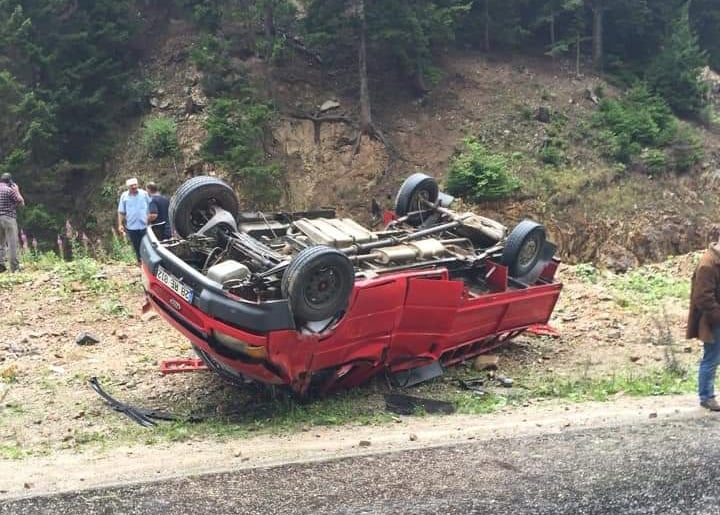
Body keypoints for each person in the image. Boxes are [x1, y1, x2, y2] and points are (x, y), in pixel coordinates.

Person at [687, 242, 720, 411]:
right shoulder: (708, 264)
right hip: (713, 322)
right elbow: (703, 297)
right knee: (712, 359)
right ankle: (706, 396)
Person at [117, 177, 150, 264]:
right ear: (128, 187)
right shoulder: (124, 196)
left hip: (145, 225)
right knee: (136, 246)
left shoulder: (144, 194)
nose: (134, 187)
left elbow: (151, 207)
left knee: (148, 245)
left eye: (135, 185)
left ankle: (148, 264)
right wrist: (120, 225)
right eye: (132, 186)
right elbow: (121, 211)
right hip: (132, 226)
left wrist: (150, 220)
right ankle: (140, 262)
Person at [0, 172, 25, 273]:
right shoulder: (10, 190)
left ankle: (0, 266)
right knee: (12, 243)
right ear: (10, 181)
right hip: (9, 218)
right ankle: (14, 268)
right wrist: (17, 191)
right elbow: (21, 202)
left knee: (0, 244)